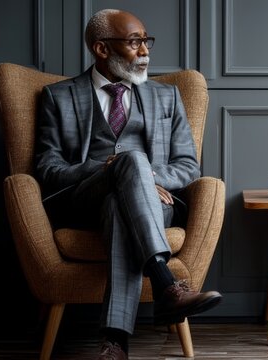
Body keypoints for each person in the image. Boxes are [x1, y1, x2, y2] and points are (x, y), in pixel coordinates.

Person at [35, 9, 223, 360]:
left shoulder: (167, 97)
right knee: (129, 162)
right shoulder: (57, 97)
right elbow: (48, 168)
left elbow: (187, 166)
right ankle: (166, 284)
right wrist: (106, 167)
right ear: (102, 49)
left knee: (124, 191)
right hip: (84, 199)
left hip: (154, 204)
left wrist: (141, 176)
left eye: (146, 41)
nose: (145, 51)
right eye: (135, 42)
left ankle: (115, 342)